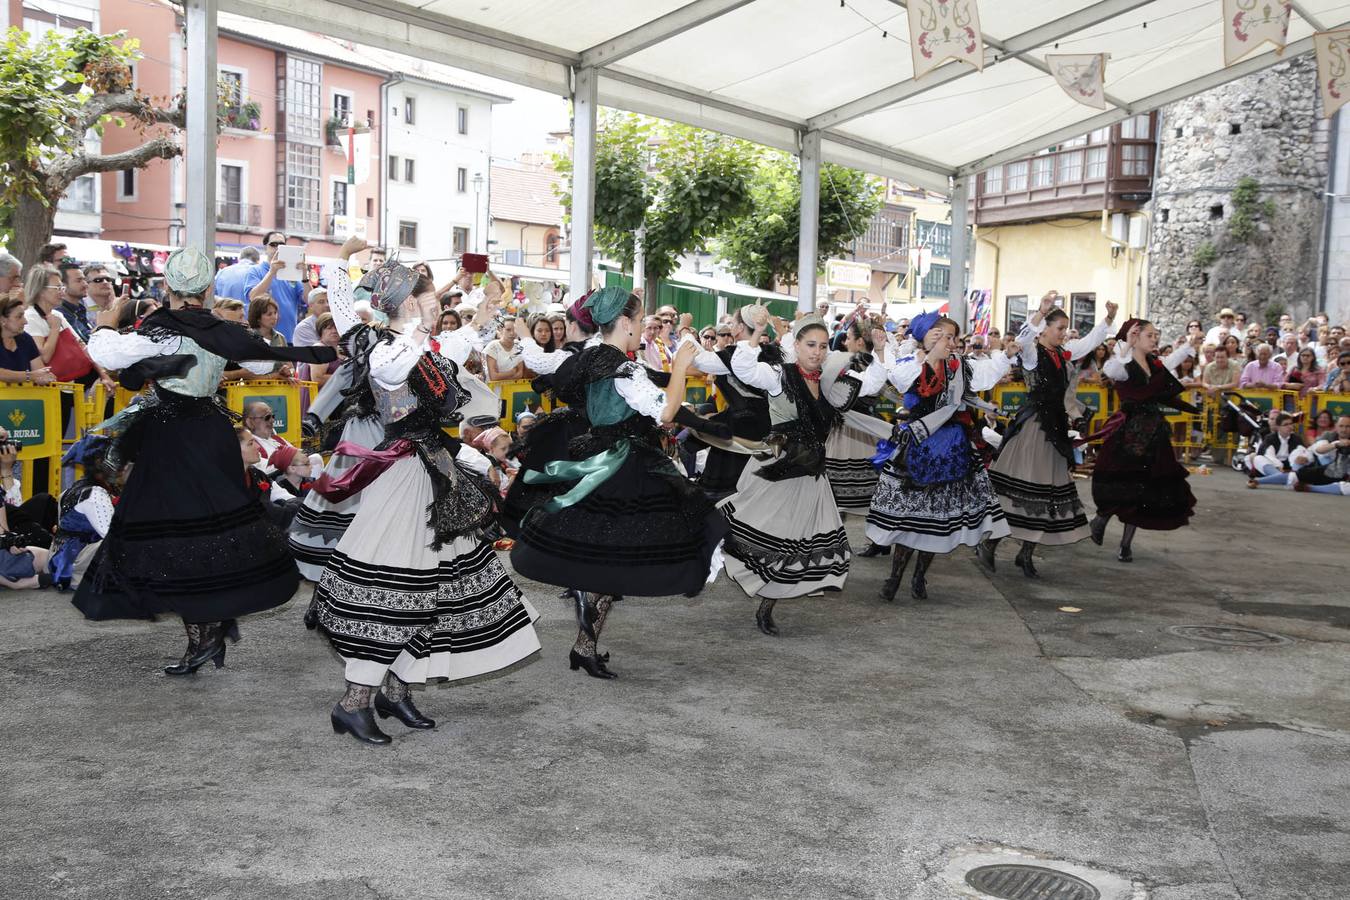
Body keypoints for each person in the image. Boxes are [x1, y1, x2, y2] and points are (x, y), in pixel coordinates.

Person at [310, 254, 539, 745]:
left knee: (429, 590)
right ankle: (352, 703)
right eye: (425, 296)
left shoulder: (424, 347)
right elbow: (392, 363)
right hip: (406, 476)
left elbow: (461, 339)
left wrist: (484, 306)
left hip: (434, 472)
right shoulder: (386, 351)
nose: (435, 304)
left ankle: (395, 689)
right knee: (395, 591)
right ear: (407, 305)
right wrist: (350, 273)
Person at [73, 247, 336, 675]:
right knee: (208, 534)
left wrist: (103, 324)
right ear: (207, 288)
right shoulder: (219, 328)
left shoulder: (162, 327)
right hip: (210, 432)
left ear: (171, 287)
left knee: (178, 538)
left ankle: (204, 636)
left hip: (172, 437)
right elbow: (266, 359)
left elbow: (108, 355)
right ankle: (206, 635)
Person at [510, 287, 727, 678]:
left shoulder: (591, 354)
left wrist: (525, 332)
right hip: (622, 466)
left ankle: (584, 647)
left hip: (599, 459)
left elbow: (544, 364)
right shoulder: (622, 368)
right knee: (616, 562)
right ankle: (584, 646)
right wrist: (679, 368)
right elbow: (665, 412)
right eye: (641, 319)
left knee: (606, 565)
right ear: (625, 323)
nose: (643, 326)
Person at [719, 316, 884, 635]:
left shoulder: (828, 381)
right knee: (769, 531)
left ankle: (767, 605)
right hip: (777, 466)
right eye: (811, 345)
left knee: (798, 538)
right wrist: (754, 333)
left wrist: (879, 349)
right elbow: (746, 370)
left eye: (823, 346)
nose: (818, 352)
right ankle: (760, 591)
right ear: (795, 346)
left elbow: (872, 384)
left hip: (811, 471)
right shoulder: (781, 375)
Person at [866, 311, 1015, 602]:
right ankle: (895, 577)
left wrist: (1003, 353)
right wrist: (927, 351)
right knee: (909, 521)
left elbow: (987, 376)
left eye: (954, 337)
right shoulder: (911, 363)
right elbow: (899, 378)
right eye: (946, 336)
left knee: (936, 522)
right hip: (919, 449)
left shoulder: (960, 366)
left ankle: (920, 576)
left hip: (951, 450)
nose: (952, 342)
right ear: (927, 337)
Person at [981, 293, 1117, 577]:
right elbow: (1024, 338)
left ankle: (1026, 553)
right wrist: (1040, 313)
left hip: (1054, 428)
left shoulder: (1063, 356)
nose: (1064, 334)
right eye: (1059, 328)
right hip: (1033, 428)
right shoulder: (1032, 353)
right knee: (1020, 488)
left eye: (1065, 329)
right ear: (1045, 329)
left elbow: (1089, 343)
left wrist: (1108, 320)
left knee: (1048, 493)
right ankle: (990, 545)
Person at [1089, 319, 1198, 562]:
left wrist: (1188, 345)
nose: (1155, 339)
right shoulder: (1124, 363)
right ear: (1135, 336)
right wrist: (1126, 346)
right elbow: (1111, 370)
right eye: (1150, 335)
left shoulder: (1154, 363)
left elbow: (1169, 366)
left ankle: (1125, 544)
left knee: (1145, 488)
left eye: (1155, 335)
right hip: (1129, 434)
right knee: (1122, 483)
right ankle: (1102, 519)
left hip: (1154, 433)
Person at [821, 317, 894, 519]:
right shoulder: (878, 363)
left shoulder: (851, 366)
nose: (845, 342)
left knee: (837, 495)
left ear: (860, 341)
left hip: (849, 429)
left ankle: (837, 531)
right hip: (869, 430)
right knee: (872, 491)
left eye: (849, 338)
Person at [242, 231, 306, 341]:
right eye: (273, 244)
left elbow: (309, 300)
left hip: (288, 338)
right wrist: (272, 272)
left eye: (281, 245)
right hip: (263, 338)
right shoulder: (255, 271)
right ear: (265, 248)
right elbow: (253, 296)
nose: (277, 248)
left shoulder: (293, 273)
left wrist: (305, 276)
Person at [0, 297, 55, 385]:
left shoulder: (25, 339)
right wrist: (30, 376)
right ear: (3, 320)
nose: (25, 322)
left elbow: (38, 370)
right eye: (19, 317)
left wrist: (44, 377)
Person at [1246, 413, 1306, 488]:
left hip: (1291, 468)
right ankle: (1283, 478)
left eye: (1291, 424)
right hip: (1273, 467)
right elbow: (1268, 454)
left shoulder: (1296, 439)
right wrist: (1278, 466)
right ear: (1278, 427)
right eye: (1286, 424)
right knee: (1258, 458)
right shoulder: (1270, 438)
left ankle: (1266, 480)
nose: (1290, 427)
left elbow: (1299, 455)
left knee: (1300, 453)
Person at [1294, 415, 1350, 495]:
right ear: (1336, 427)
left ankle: (1310, 488)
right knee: (1301, 473)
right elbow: (1318, 450)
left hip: (1345, 474)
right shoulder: (1330, 436)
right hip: (1332, 468)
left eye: (1348, 426)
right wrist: (1337, 444)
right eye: (1341, 426)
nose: (1344, 429)